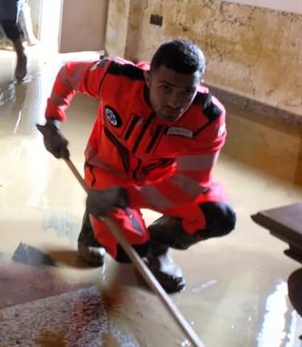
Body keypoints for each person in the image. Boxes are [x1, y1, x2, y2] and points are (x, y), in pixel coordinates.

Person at [37, 39, 236, 293]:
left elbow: (189, 185)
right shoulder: (114, 77)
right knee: (128, 250)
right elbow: (69, 75)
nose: (175, 102)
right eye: (166, 88)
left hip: (165, 183)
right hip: (108, 169)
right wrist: (52, 121)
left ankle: (157, 246)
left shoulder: (209, 117)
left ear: (199, 86)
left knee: (218, 216)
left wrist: (124, 197)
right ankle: (94, 226)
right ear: (149, 78)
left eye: (187, 91)